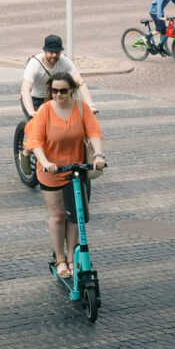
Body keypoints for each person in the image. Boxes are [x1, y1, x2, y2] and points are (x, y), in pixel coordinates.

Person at [23, 74, 106, 280]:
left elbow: (94, 131)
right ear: (50, 91)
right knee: (59, 215)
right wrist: (45, 162)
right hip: (51, 171)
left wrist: (98, 154)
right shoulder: (45, 111)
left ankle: (72, 259)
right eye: (54, 90)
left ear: (71, 90)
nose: (58, 94)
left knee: (75, 217)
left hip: (76, 170)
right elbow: (36, 141)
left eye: (63, 90)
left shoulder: (81, 108)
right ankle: (60, 259)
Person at [20, 34, 97, 115]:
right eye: (51, 51)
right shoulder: (34, 64)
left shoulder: (64, 61)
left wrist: (90, 105)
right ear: (45, 51)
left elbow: (80, 83)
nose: (54, 55)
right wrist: (31, 111)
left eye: (57, 52)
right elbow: (25, 89)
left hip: (52, 99)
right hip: (34, 100)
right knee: (36, 126)